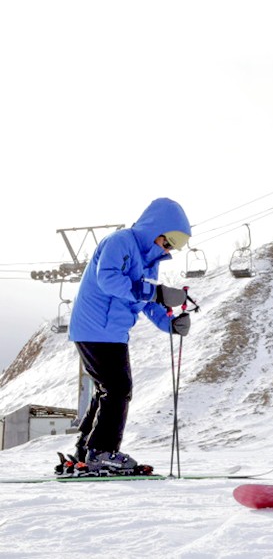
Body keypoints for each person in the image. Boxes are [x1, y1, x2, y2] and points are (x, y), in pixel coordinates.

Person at [67, 198, 193, 475]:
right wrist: (156, 293)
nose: (169, 249)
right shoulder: (120, 242)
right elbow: (109, 280)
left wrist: (170, 323)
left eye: (175, 246)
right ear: (155, 229)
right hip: (95, 326)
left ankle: (84, 451)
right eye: (168, 241)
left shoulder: (151, 261)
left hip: (112, 331)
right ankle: (101, 451)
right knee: (118, 388)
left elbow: (147, 301)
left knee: (108, 389)